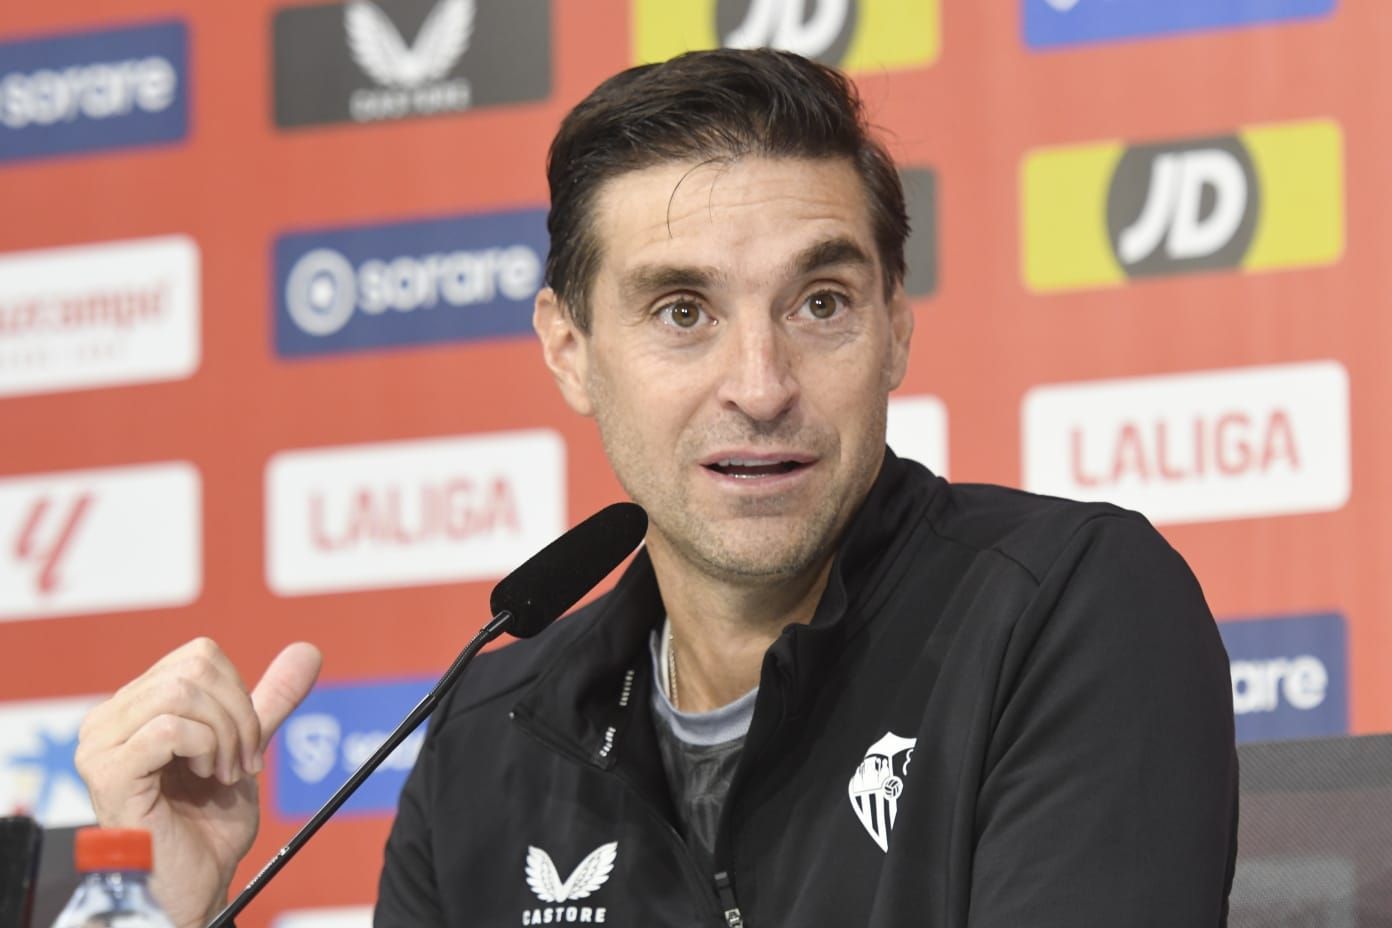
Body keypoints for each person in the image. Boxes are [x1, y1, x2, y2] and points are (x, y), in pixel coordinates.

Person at [75, 49, 1237, 927]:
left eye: (819, 303)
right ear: (569, 348)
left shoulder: (1065, 607)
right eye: (683, 312)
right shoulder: (489, 737)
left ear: (895, 328)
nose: (762, 382)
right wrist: (150, 910)